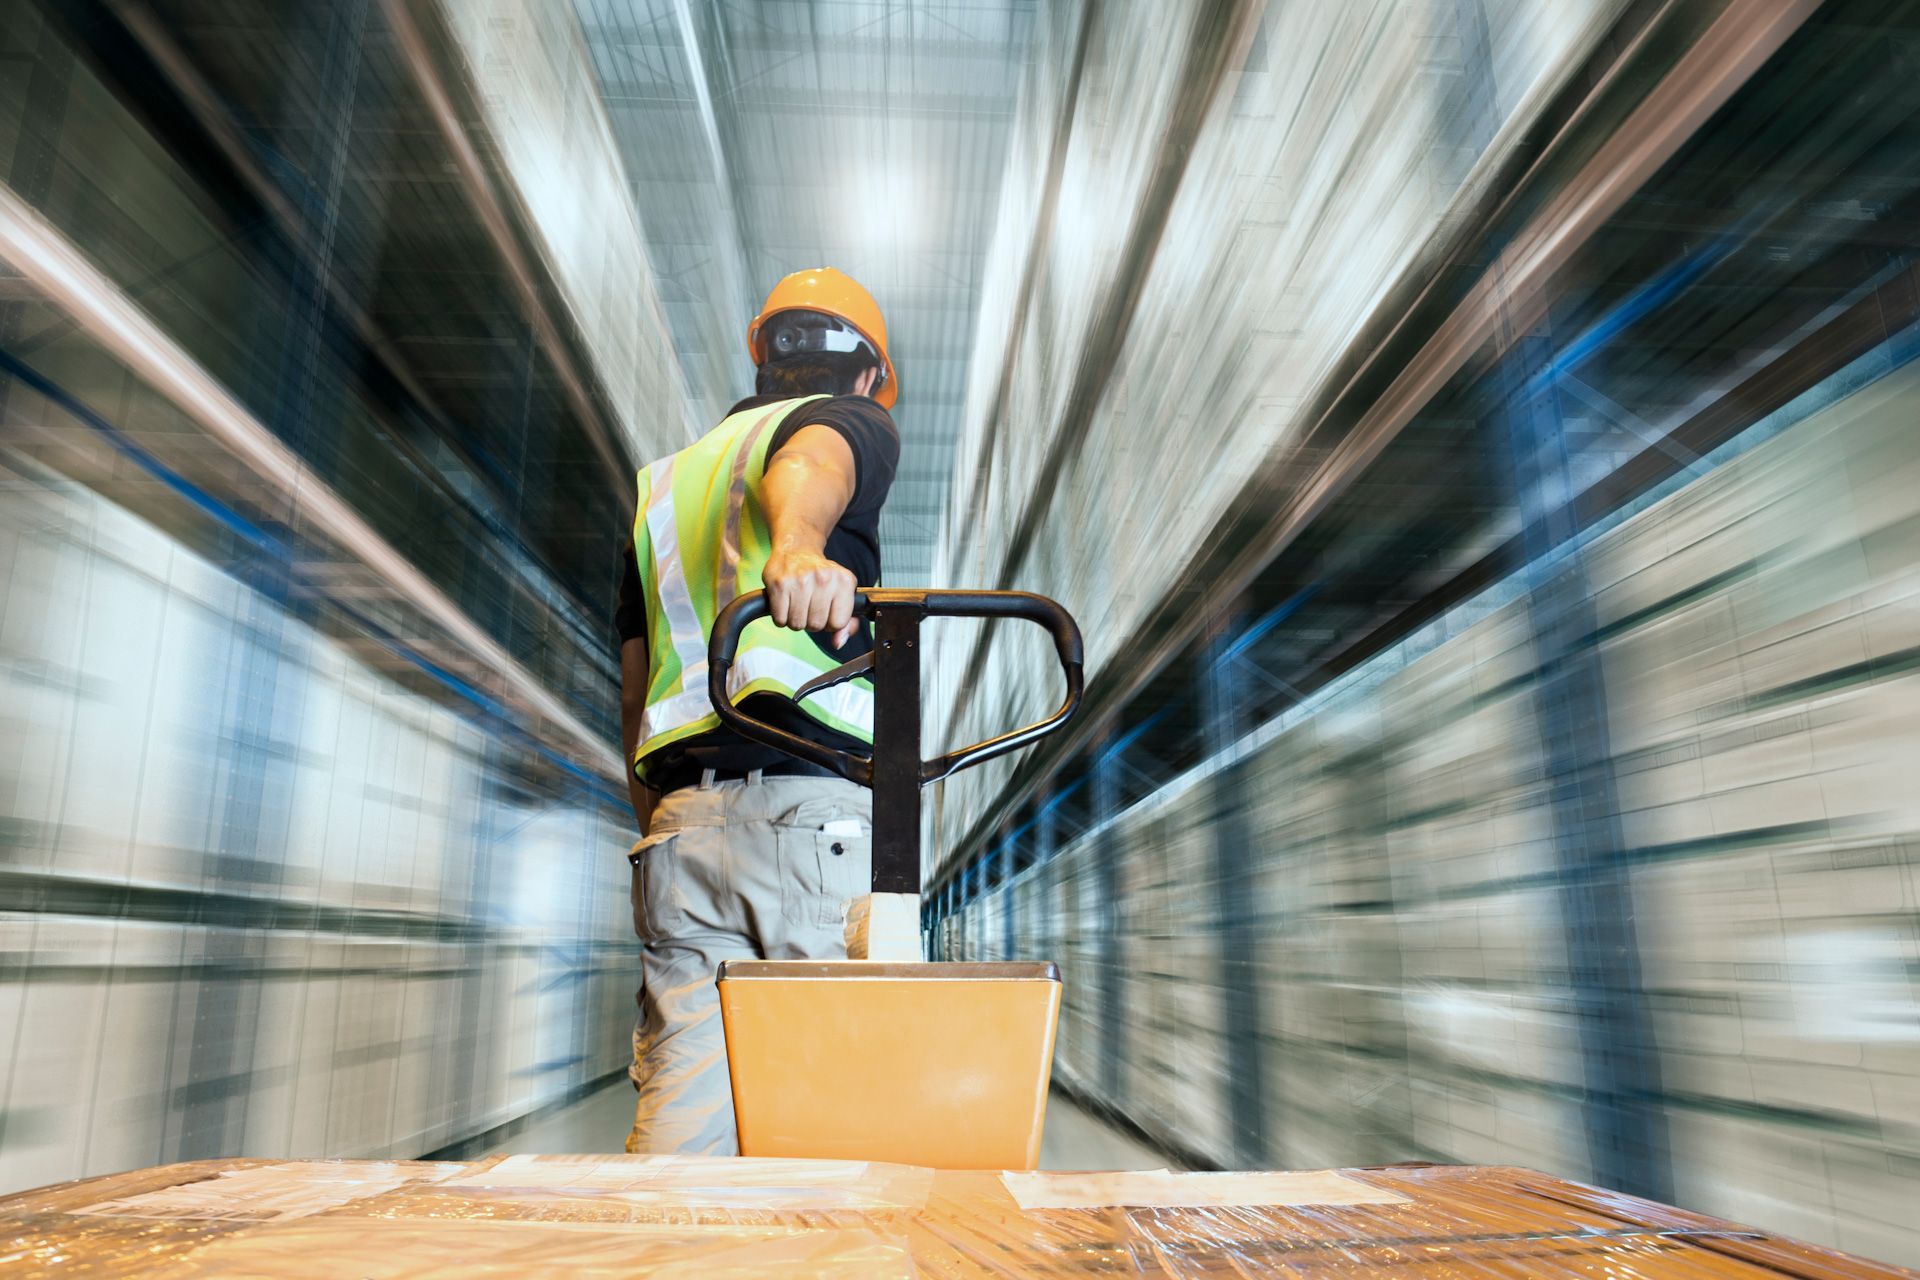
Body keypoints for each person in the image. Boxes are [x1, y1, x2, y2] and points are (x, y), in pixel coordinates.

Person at [614, 267, 900, 1154]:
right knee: (835, 1124)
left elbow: (633, 688)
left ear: (762, 355)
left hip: (680, 826)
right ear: (866, 375)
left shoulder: (666, 483)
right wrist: (803, 548)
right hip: (811, 818)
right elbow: (815, 465)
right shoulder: (851, 421)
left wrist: (658, 823)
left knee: (683, 1124)